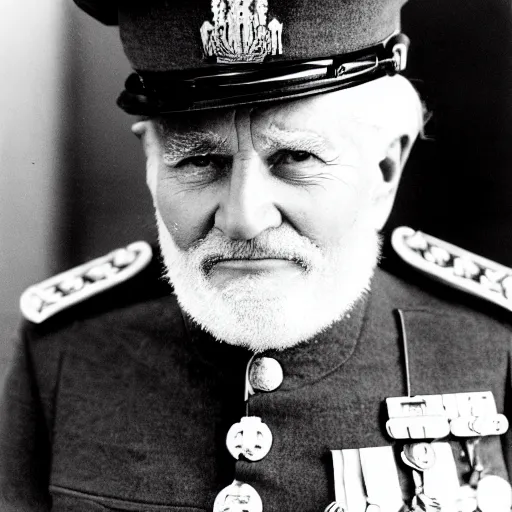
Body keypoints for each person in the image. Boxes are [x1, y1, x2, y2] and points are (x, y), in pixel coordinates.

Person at [1, 0, 511, 511]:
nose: (243, 217)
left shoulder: (492, 348)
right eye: (200, 160)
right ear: (152, 164)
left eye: (296, 157)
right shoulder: (63, 352)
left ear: (384, 170)